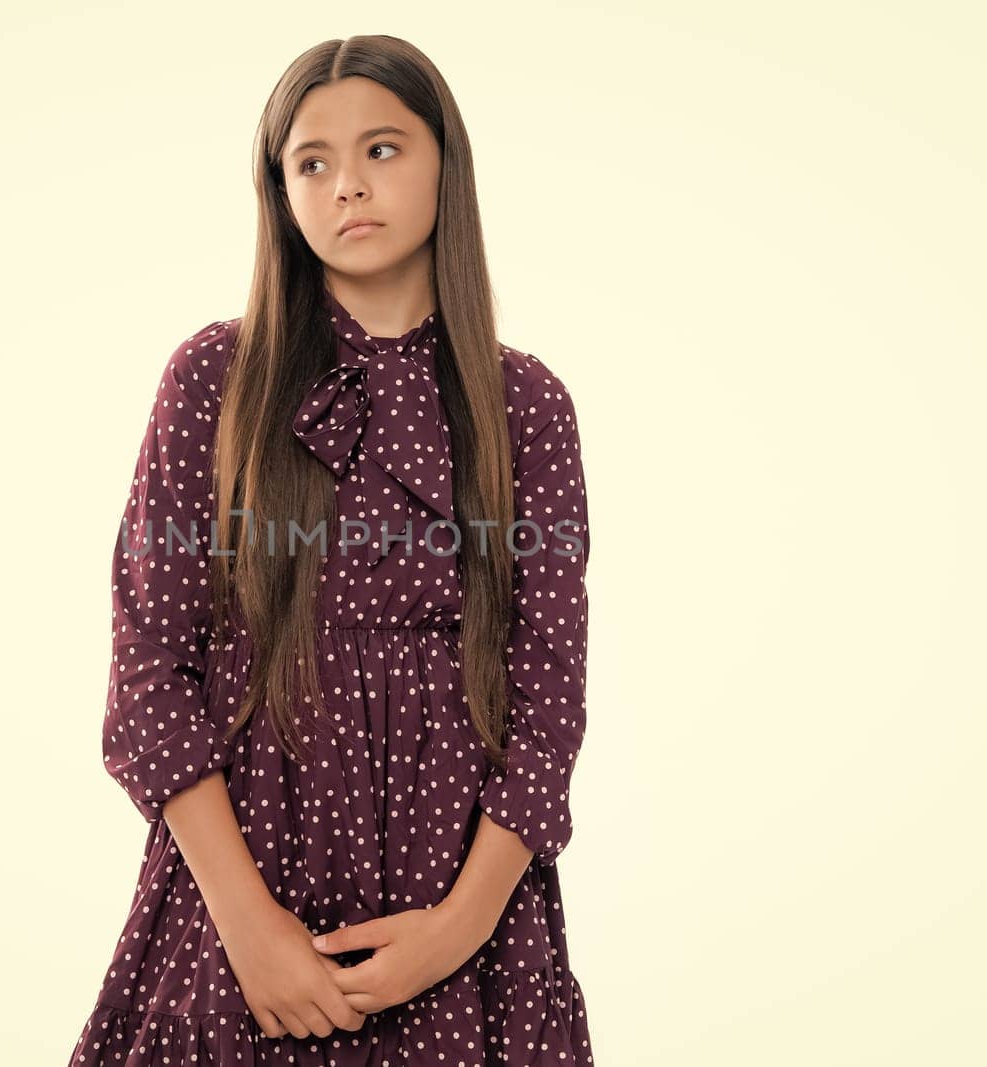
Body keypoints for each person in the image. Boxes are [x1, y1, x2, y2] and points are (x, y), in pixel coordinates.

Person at [69, 34, 595, 1066]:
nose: (347, 184)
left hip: (464, 915)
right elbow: (148, 675)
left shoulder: (522, 405)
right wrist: (252, 931)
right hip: (244, 908)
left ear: (448, 161)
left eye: (383, 150)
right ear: (279, 190)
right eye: (310, 162)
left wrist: (459, 926)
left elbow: (548, 694)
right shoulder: (217, 381)